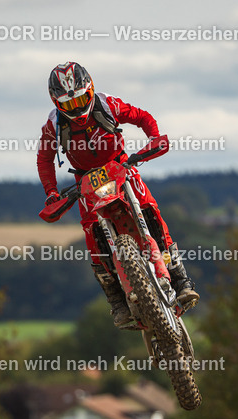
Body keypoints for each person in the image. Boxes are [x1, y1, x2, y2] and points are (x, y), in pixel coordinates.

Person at [37, 61, 199, 328]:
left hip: (120, 166)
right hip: (85, 179)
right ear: (56, 103)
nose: (76, 108)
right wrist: (51, 192)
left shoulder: (107, 104)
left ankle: (181, 279)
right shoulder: (53, 125)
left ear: (90, 91)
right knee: (92, 232)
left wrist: (154, 136)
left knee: (150, 210)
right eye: (68, 104)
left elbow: (141, 116)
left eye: (81, 100)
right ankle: (116, 300)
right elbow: (45, 158)